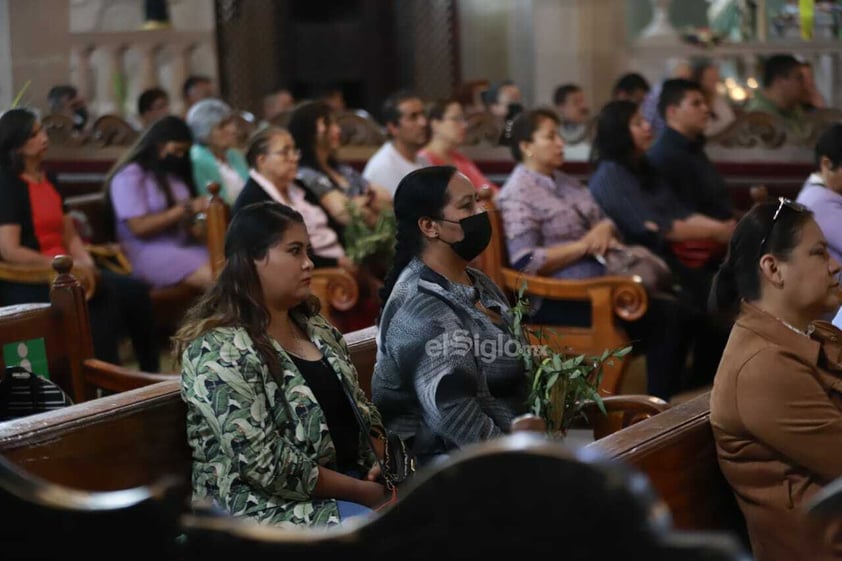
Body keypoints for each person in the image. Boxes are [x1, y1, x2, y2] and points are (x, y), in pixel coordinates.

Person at [176, 201, 390, 526]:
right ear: (252, 260)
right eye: (294, 251)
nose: (308, 263)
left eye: (307, 250)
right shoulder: (218, 349)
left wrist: (382, 460)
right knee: (382, 533)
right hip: (258, 508)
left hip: (348, 483)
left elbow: (362, 410)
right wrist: (363, 493)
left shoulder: (314, 327)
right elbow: (263, 463)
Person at [497, 108, 691, 399]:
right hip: (559, 297)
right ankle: (654, 408)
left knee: (684, 305)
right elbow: (525, 262)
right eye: (550, 137)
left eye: (560, 135)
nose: (560, 143)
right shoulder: (517, 193)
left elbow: (604, 221)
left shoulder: (565, 181)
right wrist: (584, 245)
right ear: (526, 146)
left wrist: (603, 229)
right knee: (666, 314)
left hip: (602, 282)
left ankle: (666, 404)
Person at [709, 198, 842, 561]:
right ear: (773, 268)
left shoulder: (807, 333)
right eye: (819, 253)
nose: (835, 266)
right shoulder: (764, 366)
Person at [372, 166, 529, 466]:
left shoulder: (475, 280)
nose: (481, 212)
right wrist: (527, 461)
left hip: (507, 448)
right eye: (467, 206)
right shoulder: (419, 308)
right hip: (448, 470)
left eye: (478, 202)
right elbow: (457, 416)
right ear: (430, 226)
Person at [588, 100, 735, 390]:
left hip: (666, 259)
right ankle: (677, 396)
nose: (647, 127)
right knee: (700, 307)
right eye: (637, 123)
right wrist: (720, 232)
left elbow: (678, 212)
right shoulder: (610, 174)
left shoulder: (643, 167)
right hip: (641, 266)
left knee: (724, 295)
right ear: (618, 131)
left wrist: (725, 229)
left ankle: (698, 390)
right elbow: (652, 228)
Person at [0, 108, 159, 372]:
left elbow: (70, 235)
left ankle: (149, 373)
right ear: (17, 144)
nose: (44, 137)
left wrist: (86, 264)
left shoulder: (49, 178)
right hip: (30, 273)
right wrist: (64, 267)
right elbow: (10, 249)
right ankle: (107, 380)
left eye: (42, 131)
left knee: (135, 291)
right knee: (102, 297)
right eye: (35, 133)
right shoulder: (7, 184)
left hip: (67, 267)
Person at [105, 115, 212, 290]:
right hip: (147, 251)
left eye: (184, 152)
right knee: (218, 279)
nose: (180, 157)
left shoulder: (171, 174)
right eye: (177, 150)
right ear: (160, 145)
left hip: (182, 244)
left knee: (235, 268)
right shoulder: (130, 176)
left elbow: (186, 217)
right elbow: (139, 227)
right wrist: (185, 209)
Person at [234, 126, 355, 273]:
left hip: (339, 261)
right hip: (310, 273)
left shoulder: (298, 185)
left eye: (294, 151)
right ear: (262, 160)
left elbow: (332, 225)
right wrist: (337, 262)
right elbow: (282, 257)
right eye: (285, 153)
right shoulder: (252, 202)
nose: (295, 158)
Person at [288, 100, 391, 228]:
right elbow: (346, 216)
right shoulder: (306, 175)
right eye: (331, 124)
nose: (338, 130)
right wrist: (368, 200)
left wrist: (359, 202)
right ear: (316, 130)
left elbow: (386, 199)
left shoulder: (341, 169)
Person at [648, 78, 735, 221]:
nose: (706, 109)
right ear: (672, 112)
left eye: (705, 102)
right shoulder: (664, 156)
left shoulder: (693, 146)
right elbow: (679, 214)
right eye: (696, 104)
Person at [419, 98, 499, 192]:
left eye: (464, 119)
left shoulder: (460, 159)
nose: (464, 125)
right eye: (456, 119)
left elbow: (487, 188)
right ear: (435, 124)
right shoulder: (423, 161)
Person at [362, 90, 428, 196]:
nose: (423, 123)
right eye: (413, 117)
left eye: (423, 114)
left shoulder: (423, 161)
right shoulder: (383, 166)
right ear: (393, 127)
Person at [186, 98, 249, 204]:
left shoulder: (234, 154)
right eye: (222, 126)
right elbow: (214, 202)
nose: (232, 129)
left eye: (231, 123)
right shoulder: (198, 160)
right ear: (204, 132)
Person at [745, 54, 807, 135]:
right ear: (779, 81)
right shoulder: (759, 116)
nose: (804, 84)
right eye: (799, 78)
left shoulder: (794, 108)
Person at [691, 58, 736, 137]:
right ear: (700, 81)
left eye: (715, 79)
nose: (714, 82)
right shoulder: (697, 103)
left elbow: (729, 120)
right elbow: (706, 131)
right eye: (710, 79)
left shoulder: (718, 99)